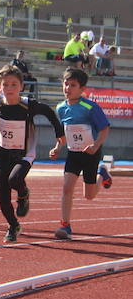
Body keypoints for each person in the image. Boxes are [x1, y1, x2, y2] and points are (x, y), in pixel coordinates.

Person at [0, 65, 65, 242]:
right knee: (3, 198)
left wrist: (59, 134)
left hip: (25, 153)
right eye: (5, 85)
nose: (9, 89)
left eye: (13, 84)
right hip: (4, 154)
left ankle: (23, 193)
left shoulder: (28, 105)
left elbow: (49, 113)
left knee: (14, 180)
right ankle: (13, 225)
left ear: (21, 86)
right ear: (0, 86)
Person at [48, 68, 113, 241]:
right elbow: (64, 132)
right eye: (66, 84)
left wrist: (96, 145)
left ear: (82, 88)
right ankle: (65, 225)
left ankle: (102, 173)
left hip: (91, 153)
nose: (68, 88)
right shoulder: (61, 108)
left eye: (73, 85)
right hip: (73, 153)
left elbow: (104, 128)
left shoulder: (89, 107)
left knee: (89, 196)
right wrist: (57, 147)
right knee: (67, 187)